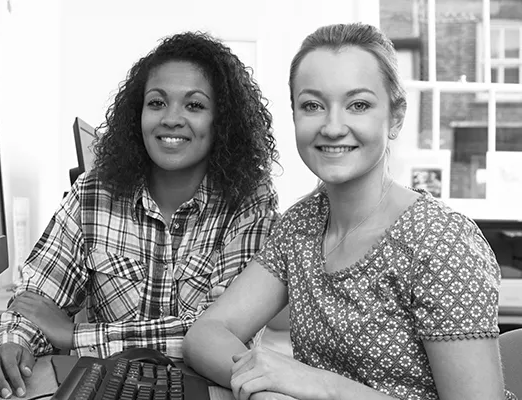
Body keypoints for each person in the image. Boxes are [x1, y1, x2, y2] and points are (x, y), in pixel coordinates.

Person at [183, 23, 517, 400]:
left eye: (358, 105)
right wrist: (264, 384)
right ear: (294, 115)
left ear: (396, 116)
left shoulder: (440, 243)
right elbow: (205, 334)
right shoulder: (301, 225)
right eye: (313, 105)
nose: (333, 126)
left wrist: (314, 383)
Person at [0, 31, 280, 398]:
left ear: (222, 121)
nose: (171, 119)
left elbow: (219, 335)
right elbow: (34, 300)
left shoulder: (249, 203)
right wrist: (9, 346)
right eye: (157, 103)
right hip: (111, 390)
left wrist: (73, 336)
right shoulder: (92, 193)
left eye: (194, 105)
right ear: (138, 114)